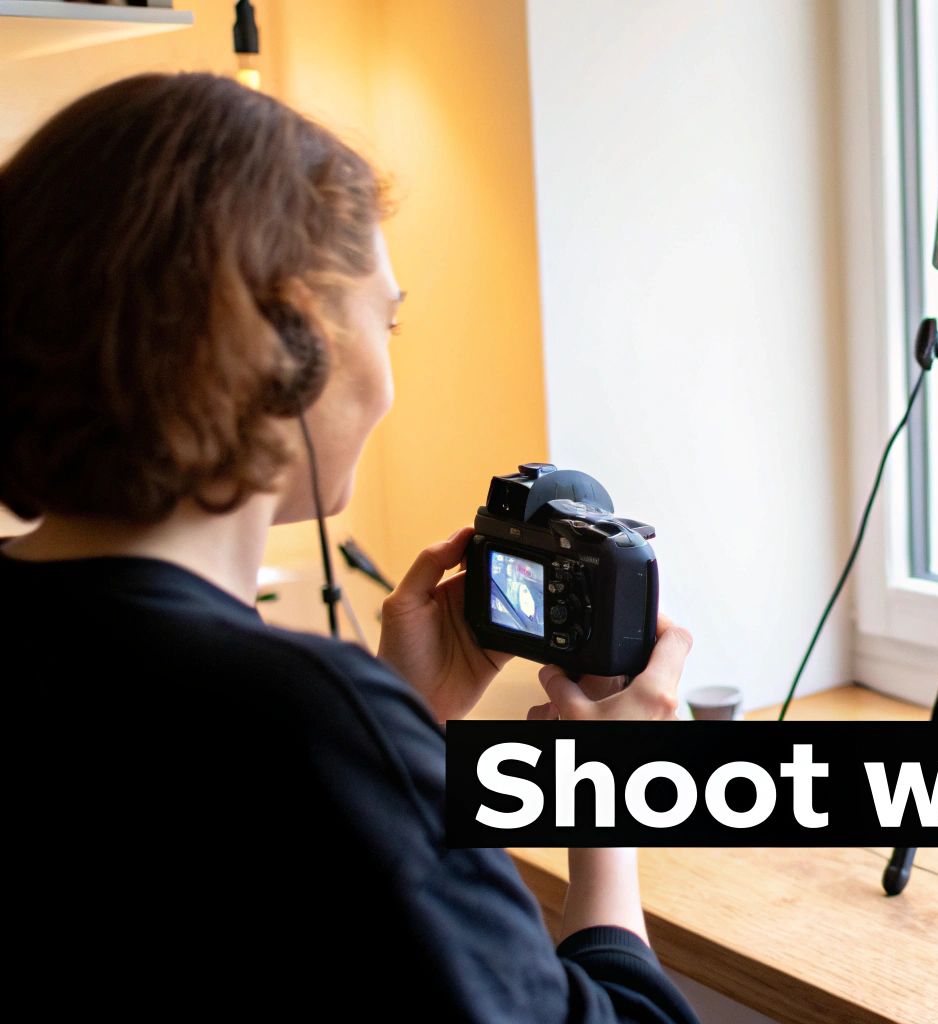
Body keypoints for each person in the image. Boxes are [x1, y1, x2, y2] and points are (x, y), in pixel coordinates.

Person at [0, 72, 700, 1022]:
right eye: (388, 321)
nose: (389, 379)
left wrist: (408, 723)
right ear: (287, 341)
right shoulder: (300, 721)